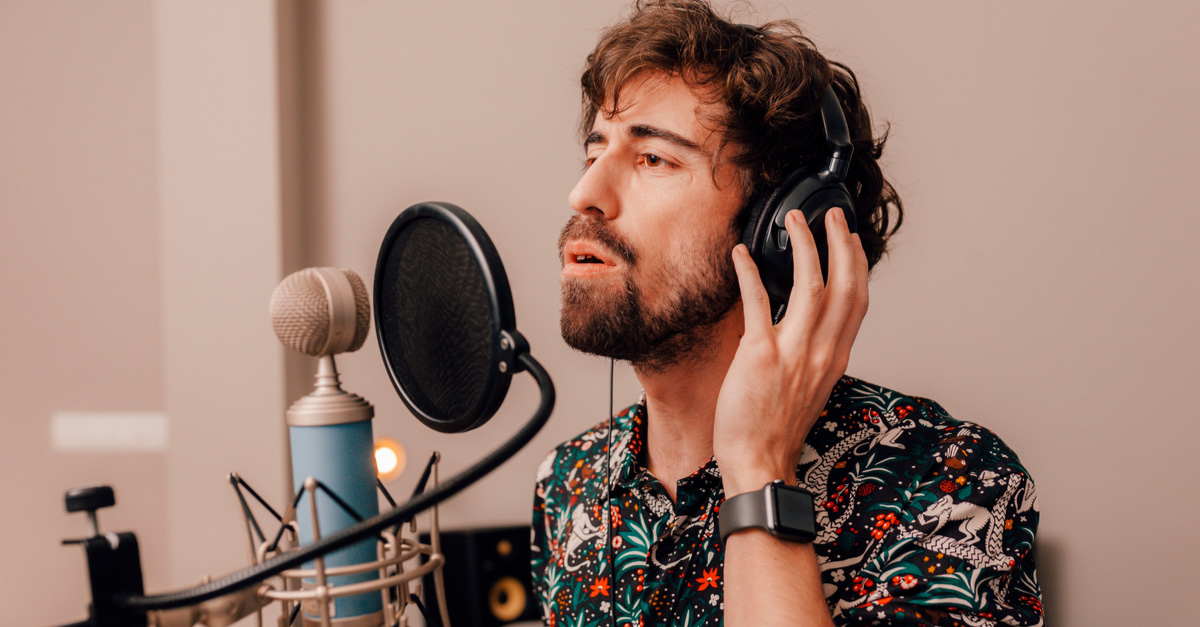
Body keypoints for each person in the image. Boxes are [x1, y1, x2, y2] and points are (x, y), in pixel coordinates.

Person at [530, 1, 1042, 625]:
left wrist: (759, 472)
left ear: (776, 227)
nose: (583, 194)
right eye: (594, 154)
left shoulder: (947, 481)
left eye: (653, 158)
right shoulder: (567, 483)